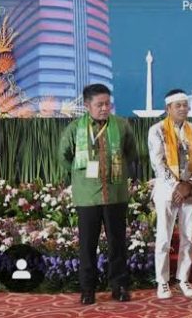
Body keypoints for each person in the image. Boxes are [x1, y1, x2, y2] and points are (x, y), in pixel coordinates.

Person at [58, 83, 137, 305]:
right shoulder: (75, 128)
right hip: (87, 197)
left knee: (117, 243)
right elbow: (64, 156)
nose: (104, 108)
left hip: (116, 195)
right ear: (87, 105)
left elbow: (131, 152)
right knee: (87, 245)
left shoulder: (121, 125)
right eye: (99, 104)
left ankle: (119, 286)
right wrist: (79, 176)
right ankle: (87, 289)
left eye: (107, 104)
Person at [148, 89, 192, 299]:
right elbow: (158, 162)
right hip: (166, 190)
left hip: (189, 190)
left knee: (188, 237)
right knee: (164, 236)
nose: (182, 109)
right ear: (168, 108)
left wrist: (189, 184)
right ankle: (162, 281)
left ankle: (183, 279)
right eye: (177, 105)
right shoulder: (157, 130)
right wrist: (177, 186)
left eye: (185, 105)